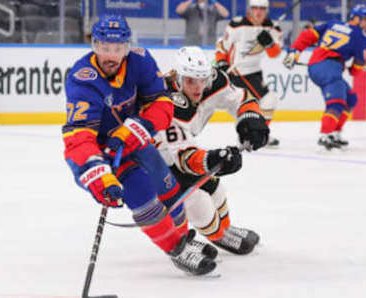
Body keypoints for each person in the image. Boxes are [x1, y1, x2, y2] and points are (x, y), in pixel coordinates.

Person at [62, 14, 217, 276]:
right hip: (104, 152)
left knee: (169, 187)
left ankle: (182, 238)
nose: (111, 55)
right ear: (94, 46)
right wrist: (101, 176)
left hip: (134, 140)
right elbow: (79, 137)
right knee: (142, 196)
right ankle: (175, 250)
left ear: (127, 47)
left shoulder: (140, 60)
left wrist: (137, 128)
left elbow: (162, 102)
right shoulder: (82, 78)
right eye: (105, 48)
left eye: (118, 49)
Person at [155, 46, 269, 255]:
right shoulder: (166, 102)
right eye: (191, 81)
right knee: (198, 204)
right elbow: (183, 158)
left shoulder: (213, 81)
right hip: (157, 161)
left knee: (216, 190)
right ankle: (200, 240)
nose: (199, 87)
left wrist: (250, 120)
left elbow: (242, 98)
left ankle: (223, 231)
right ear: (178, 79)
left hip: (178, 150)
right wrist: (213, 159)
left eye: (203, 80)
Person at [283, 4, 366, 151]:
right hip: (330, 68)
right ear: (355, 19)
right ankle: (326, 135)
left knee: (350, 98)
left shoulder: (333, 23)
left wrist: (294, 51)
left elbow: (308, 35)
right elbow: (356, 70)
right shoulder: (360, 36)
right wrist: (358, 67)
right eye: (365, 19)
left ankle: (335, 133)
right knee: (336, 102)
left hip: (318, 65)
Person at [215, 0, 283, 148]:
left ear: (267, 10)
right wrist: (221, 62)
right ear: (249, 9)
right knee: (245, 105)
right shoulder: (237, 24)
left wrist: (270, 43)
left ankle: (258, 133)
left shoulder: (273, 28)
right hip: (236, 72)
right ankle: (253, 133)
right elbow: (222, 46)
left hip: (254, 72)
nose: (258, 12)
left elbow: (275, 54)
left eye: (262, 9)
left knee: (268, 100)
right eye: (255, 8)